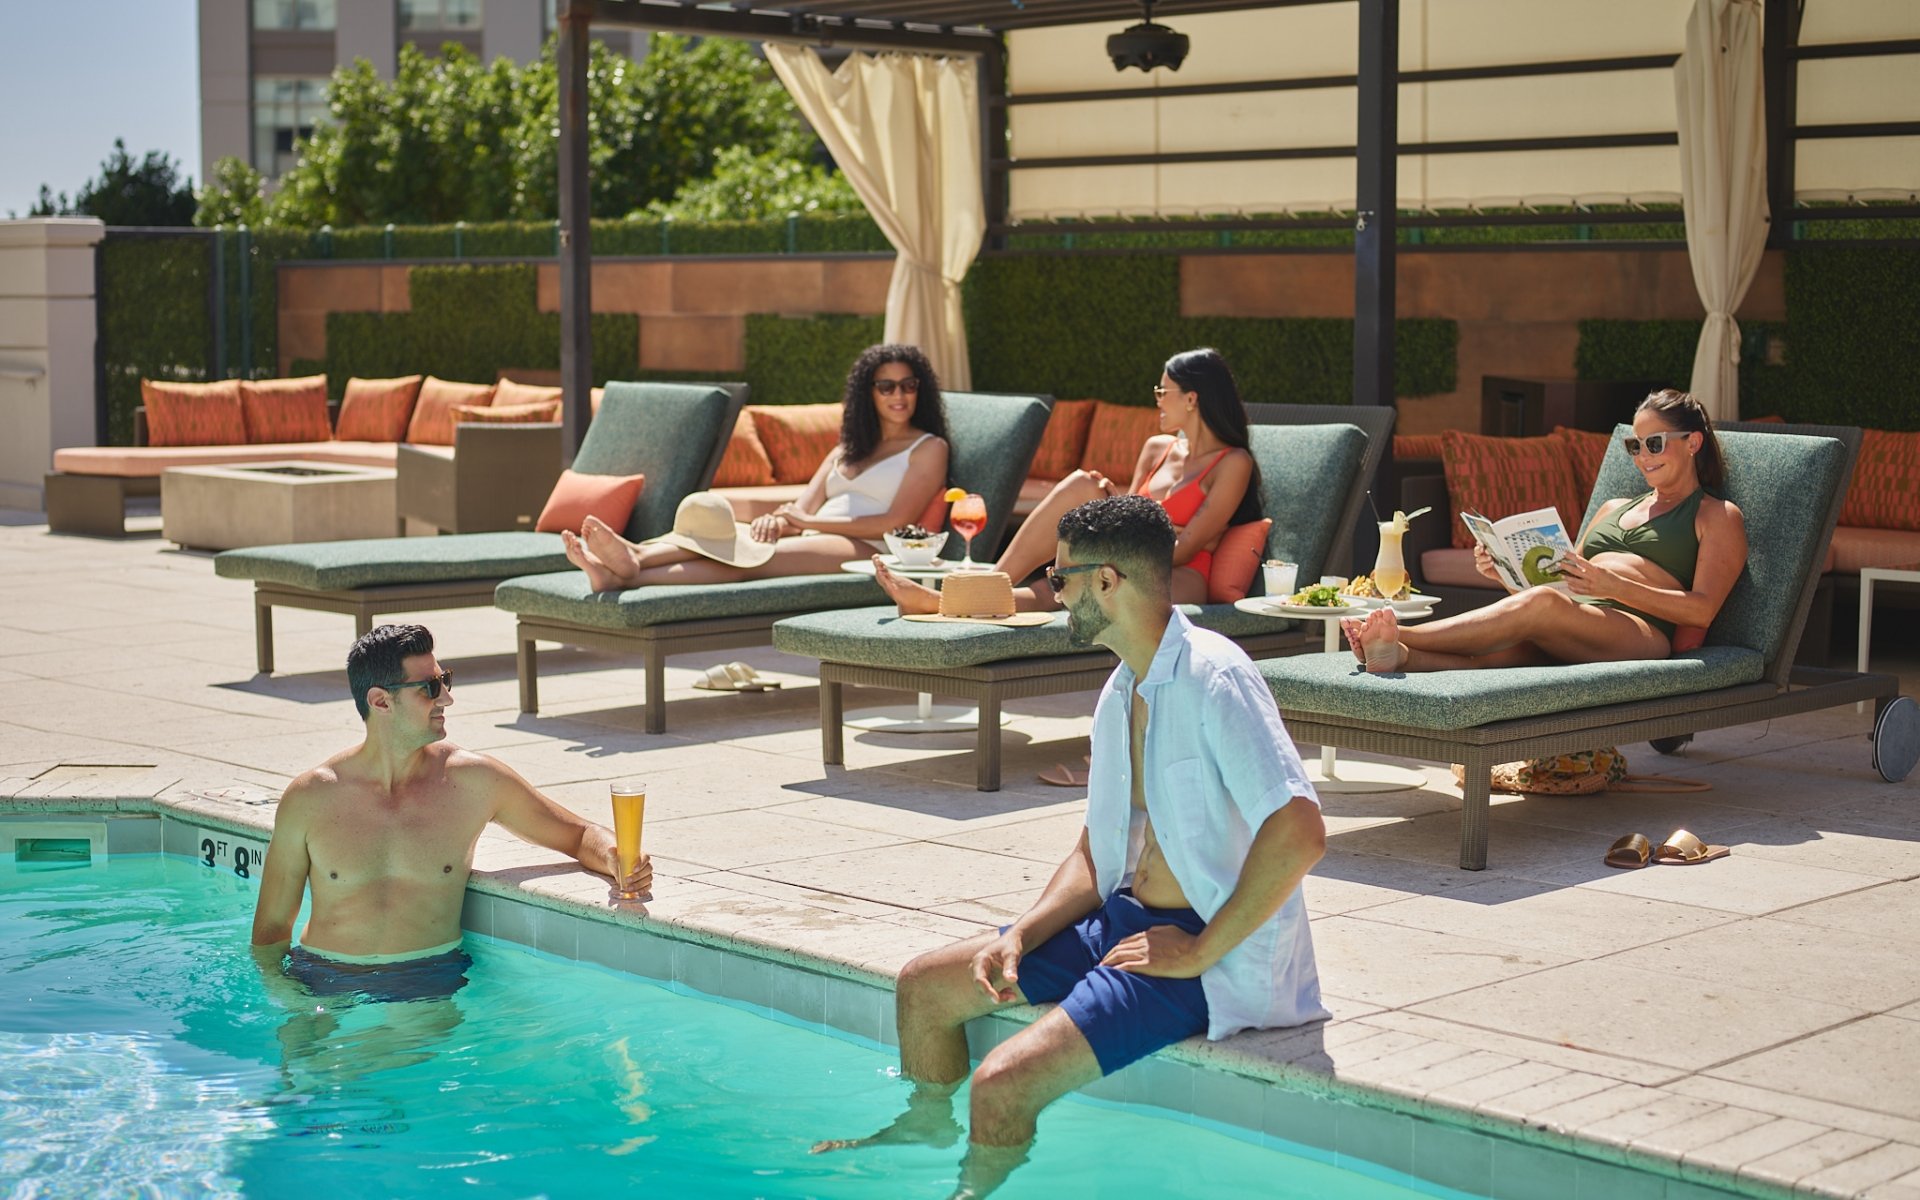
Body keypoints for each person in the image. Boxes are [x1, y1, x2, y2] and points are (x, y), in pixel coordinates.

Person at [818, 495, 1327, 1199]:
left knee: (1000, 1086)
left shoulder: (1217, 678)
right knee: (924, 989)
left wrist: (1201, 950)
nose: (1050, 593)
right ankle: (926, 1127)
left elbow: (1300, 830)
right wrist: (1021, 934)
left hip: (1197, 946)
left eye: (1060, 580)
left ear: (1107, 582)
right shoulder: (1122, 688)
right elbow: (1095, 854)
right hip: (1120, 923)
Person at [250, 623, 652, 1002]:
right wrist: (292, 1002)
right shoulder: (310, 797)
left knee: (394, 1065)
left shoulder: (474, 780)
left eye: (445, 680)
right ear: (380, 701)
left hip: (428, 976)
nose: (446, 698)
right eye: (429, 687)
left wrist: (615, 856)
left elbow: (579, 835)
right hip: (322, 974)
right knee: (310, 1074)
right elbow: (270, 930)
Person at [1345, 388, 1748, 673]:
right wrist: (1506, 573)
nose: (1643, 457)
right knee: (1506, 653)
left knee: (1543, 609)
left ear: (1693, 442)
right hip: (1575, 615)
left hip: (1639, 630)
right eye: (1635, 446)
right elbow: (1559, 590)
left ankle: (1404, 635)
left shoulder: (1716, 515)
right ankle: (1396, 656)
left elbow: (1702, 608)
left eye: (1655, 444)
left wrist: (1614, 587)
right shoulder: (1612, 507)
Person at [875, 347, 1260, 614]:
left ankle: (951, 603)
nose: (1157, 399)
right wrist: (1112, 510)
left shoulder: (1232, 463)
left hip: (1180, 574)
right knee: (1082, 486)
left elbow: (1183, 549)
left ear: (1191, 399)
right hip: (1127, 552)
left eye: (1163, 391)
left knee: (1084, 582)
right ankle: (988, 585)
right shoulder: (1156, 447)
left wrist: (1119, 529)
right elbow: (1138, 514)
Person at [562, 344, 950, 592]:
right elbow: (803, 505)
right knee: (724, 530)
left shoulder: (928, 448)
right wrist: (778, 524)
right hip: (817, 535)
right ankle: (635, 559)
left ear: (920, 390)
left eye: (908, 385)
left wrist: (803, 522)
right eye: (886, 387)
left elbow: (892, 521)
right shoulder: (848, 448)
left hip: (870, 549)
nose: (898, 395)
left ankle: (629, 574)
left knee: (754, 559)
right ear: (869, 394)